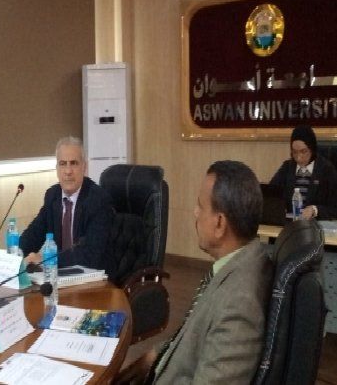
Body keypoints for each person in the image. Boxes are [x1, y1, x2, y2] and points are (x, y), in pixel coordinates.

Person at [116, 160, 273, 384]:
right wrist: (153, 356)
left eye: (201, 206)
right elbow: (194, 336)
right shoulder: (240, 263)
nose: (195, 212)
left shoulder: (240, 303)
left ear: (220, 223)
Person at [19, 136, 113, 268]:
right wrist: (14, 255)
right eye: (63, 164)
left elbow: (90, 254)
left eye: (73, 163)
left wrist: (45, 259)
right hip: (61, 275)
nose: (68, 171)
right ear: (57, 168)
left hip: (93, 275)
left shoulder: (98, 199)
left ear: (84, 167)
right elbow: (33, 236)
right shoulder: (53, 196)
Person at [270, 125, 337, 220]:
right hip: (290, 223)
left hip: (316, 224)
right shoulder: (287, 167)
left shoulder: (326, 169)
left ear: (312, 150)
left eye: (303, 151)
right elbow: (271, 196)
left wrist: (315, 210)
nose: (298, 157)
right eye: (294, 152)